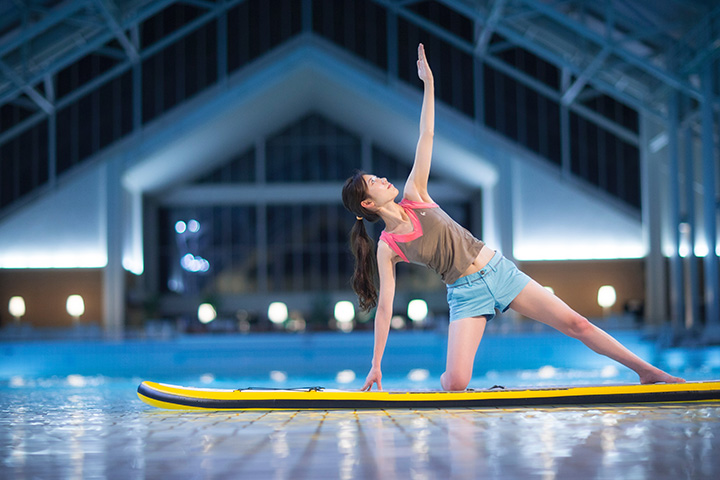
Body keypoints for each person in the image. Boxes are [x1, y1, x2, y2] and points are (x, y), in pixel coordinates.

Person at [341, 43, 684, 392]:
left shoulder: (417, 194)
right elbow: (385, 310)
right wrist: (375, 366)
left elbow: (426, 134)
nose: (383, 179)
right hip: (464, 293)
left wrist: (428, 84)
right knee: (457, 382)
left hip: (498, 271)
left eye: (377, 176)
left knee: (576, 323)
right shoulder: (388, 246)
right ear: (367, 204)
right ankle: (446, 384)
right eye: (374, 183)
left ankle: (646, 370)